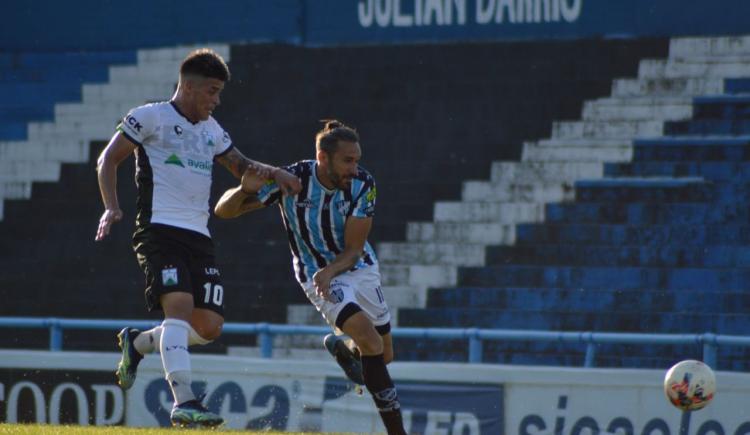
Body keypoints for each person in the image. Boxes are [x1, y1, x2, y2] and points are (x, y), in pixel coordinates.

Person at [94, 48, 301, 428]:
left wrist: (276, 174)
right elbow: (108, 159)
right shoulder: (150, 116)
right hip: (159, 229)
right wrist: (112, 206)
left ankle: (138, 343)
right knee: (178, 307)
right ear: (187, 86)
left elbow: (240, 164)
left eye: (219, 92)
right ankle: (184, 401)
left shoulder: (211, 130)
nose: (216, 100)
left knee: (208, 327)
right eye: (211, 91)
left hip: (199, 235)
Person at [214, 120, 407, 435]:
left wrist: (330, 270)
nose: (354, 168)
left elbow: (355, 250)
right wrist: (243, 189)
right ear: (323, 157)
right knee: (370, 341)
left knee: (383, 355)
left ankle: (345, 349)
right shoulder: (293, 180)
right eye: (347, 160)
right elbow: (223, 211)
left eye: (357, 159)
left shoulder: (363, 184)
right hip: (313, 273)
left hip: (355, 267)